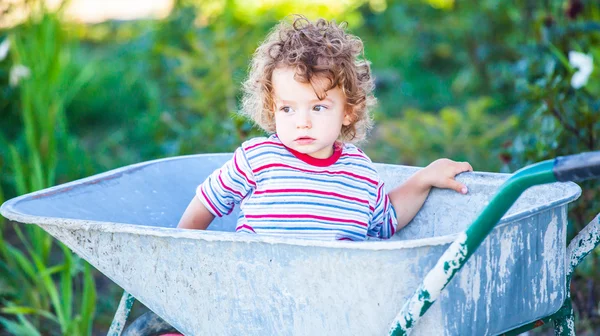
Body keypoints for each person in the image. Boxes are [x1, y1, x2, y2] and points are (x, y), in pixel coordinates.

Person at [177, 15, 472, 240]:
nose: (301, 121)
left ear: (348, 111)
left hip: (331, 302)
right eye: (287, 108)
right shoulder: (258, 159)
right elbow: (208, 200)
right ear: (272, 109)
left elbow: (387, 220)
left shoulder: (359, 172)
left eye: (318, 107)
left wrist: (423, 179)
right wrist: (181, 249)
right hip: (258, 293)